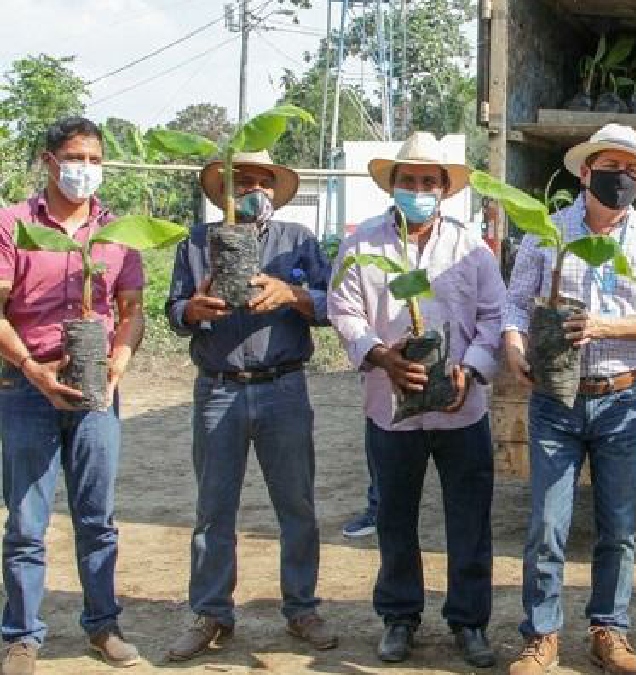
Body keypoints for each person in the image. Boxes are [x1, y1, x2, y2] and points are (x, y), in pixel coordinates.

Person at [503, 124, 636, 675]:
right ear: (585, 172)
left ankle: (609, 629)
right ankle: (542, 634)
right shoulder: (547, 230)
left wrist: (606, 326)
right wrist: (513, 344)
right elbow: (515, 304)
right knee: (547, 524)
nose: (621, 177)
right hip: (555, 400)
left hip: (623, 398)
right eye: (610, 167)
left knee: (619, 527)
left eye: (631, 170)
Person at [329, 131, 504, 668]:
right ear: (393, 184)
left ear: (445, 189)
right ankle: (399, 617)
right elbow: (343, 309)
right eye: (410, 180)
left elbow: (494, 316)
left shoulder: (471, 248)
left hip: (461, 410)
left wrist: (470, 369)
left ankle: (469, 622)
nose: (420, 190)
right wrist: (382, 355)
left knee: (469, 519)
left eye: (430, 181)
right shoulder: (363, 244)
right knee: (394, 516)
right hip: (390, 407)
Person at [164, 150, 337, 660]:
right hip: (219, 388)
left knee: (296, 505)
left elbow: (332, 304)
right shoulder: (197, 243)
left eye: (264, 182)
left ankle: (301, 608)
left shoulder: (297, 240)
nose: (254, 190)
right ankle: (211, 614)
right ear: (224, 191)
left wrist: (292, 294)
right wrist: (192, 310)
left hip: (283, 387)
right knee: (213, 509)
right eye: (243, 182)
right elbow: (173, 309)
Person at [0, 117, 144, 674]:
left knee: (97, 518)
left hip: (97, 391)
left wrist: (119, 363)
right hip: (25, 389)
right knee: (26, 521)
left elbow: (131, 312)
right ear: (49, 161)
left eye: (95, 159)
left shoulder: (118, 232)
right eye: (76, 157)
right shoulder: (14, 224)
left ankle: (103, 626)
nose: (86, 169)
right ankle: (21, 637)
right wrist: (32, 369)